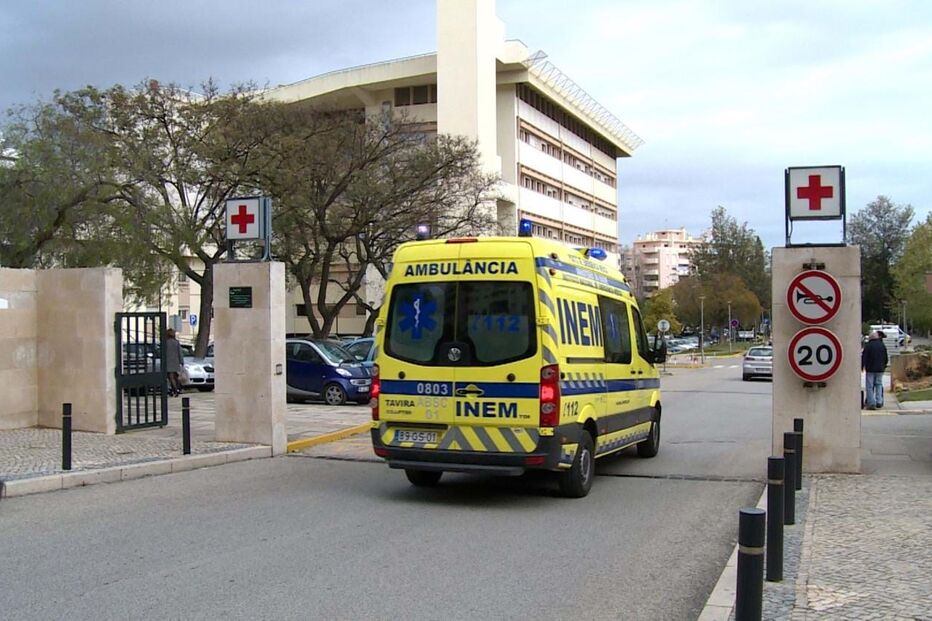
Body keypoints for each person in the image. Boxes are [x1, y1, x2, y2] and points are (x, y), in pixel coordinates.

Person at [861, 330, 888, 410]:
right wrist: (884, 366)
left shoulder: (868, 346)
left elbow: (864, 357)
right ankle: (879, 401)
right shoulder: (882, 345)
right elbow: (886, 358)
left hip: (870, 369)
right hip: (880, 369)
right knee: (879, 384)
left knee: (869, 386)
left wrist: (862, 366)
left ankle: (871, 403)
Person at [164, 328, 185, 397]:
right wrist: (181, 362)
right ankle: (176, 389)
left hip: (168, 362)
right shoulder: (176, 342)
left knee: (170, 377)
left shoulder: (165, 342)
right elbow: (180, 353)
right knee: (175, 377)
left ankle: (175, 390)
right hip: (175, 362)